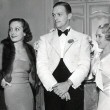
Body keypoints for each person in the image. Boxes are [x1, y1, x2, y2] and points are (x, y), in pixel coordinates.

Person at [36, 1, 90, 110]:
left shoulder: (82, 38)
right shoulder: (44, 39)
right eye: (54, 15)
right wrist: (56, 87)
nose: (56, 18)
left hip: (74, 87)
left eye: (59, 14)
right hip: (51, 87)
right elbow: (41, 66)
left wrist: (67, 84)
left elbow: (84, 65)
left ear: (69, 15)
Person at [0, 18, 38, 110]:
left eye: (17, 29)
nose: (12, 32)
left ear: (24, 32)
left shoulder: (30, 49)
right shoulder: (3, 47)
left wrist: (39, 53)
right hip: (10, 92)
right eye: (10, 29)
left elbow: (35, 74)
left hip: (27, 92)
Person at [92, 23, 110, 110]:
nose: (96, 39)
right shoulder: (97, 56)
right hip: (102, 97)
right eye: (96, 36)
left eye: (100, 36)